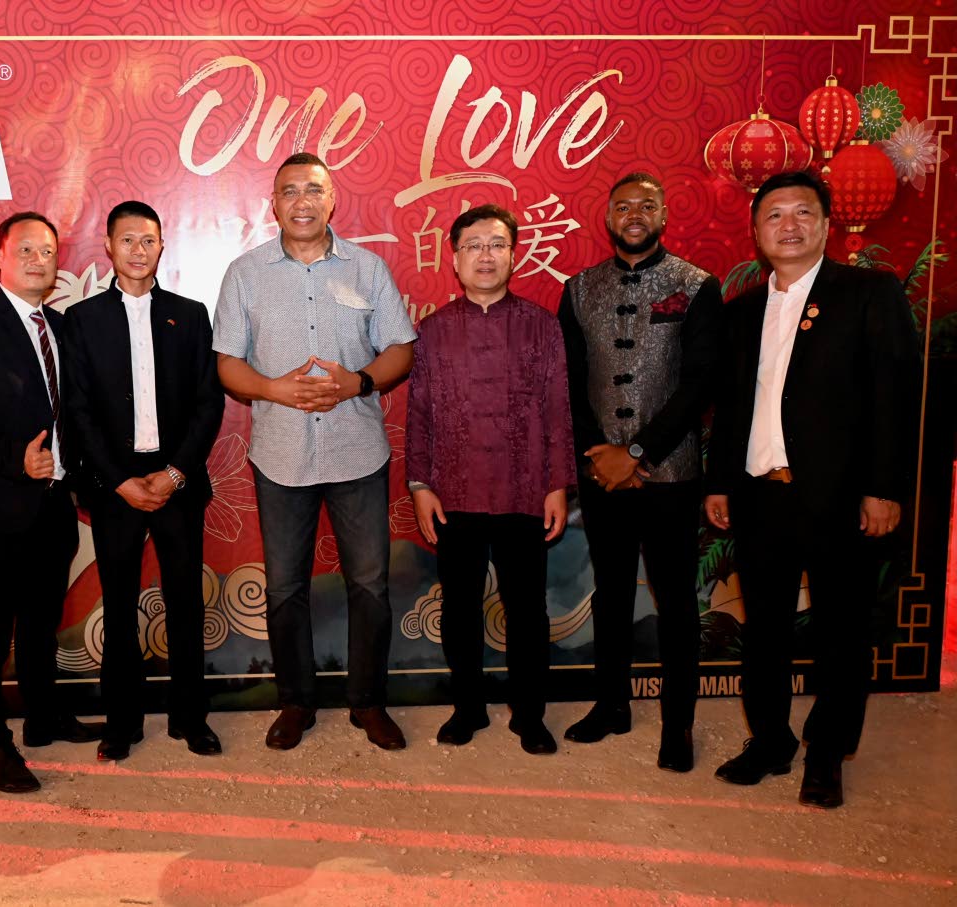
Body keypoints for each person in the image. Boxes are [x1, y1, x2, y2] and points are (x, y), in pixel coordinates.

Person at [706, 170, 919, 808]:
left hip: (840, 498)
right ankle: (770, 741)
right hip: (759, 497)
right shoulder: (741, 312)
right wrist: (719, 483)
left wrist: (884, 487)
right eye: (774, 215)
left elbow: (896, 398)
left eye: (803, 212)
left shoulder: (868, 293)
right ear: (756, 231)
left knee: (840, 634)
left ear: (826, 224)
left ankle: (826, 755)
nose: (789, 226)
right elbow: (731, 407)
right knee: (764, 630)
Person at [213, 152, 417, 751]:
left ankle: (367, 703)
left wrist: (357, 382)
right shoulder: (245, 273)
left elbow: (401, 348)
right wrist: (273, 389)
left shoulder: (368, 268)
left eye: (314, 190)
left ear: (332, 200)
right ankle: (296, 702)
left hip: (357, 451)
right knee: (283, 588)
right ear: (273, 204)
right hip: (279, 455)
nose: (302, 200)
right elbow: (226, 362)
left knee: (370, 584)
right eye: (289, 191)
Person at [558, 172, 723, 772]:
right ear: (607, 215)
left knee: (678, 600)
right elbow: (573, 388)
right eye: (623, 204)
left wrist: (638, 454)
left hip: (671, 475)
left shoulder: (696, 285)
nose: (634, 213)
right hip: (603, 478)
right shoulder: (578, 289)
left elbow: (700, 383)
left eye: (645, 205)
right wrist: (603, 456)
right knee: (611, 593)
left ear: (662, 214)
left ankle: (678, 724)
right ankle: (612, 706)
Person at [0, 212, 105, 794]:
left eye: (49, 251)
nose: (40, 260)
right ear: (0, 258)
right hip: (0, 502)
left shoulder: (60, 326)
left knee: (42, 618)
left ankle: (43, 715)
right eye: (26, 249)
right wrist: (17, 459)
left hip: (56, 502)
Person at [405, 204, 575, 754]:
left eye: (496, 244)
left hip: (525, 490)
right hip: (453, 492)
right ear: (453, 257)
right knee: (459, 610)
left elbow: (556, 411)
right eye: (473, 245)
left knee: (528, 610)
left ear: (513, 253)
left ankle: (530, 713)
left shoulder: (541, 325)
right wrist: (420, 485)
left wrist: (556, 484)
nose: (485, 255)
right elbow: (421, 414)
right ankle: (468, 709)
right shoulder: (432, 331)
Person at [63, 201, 224, 762]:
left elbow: (209, 403)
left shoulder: (190, 313)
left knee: (185, 604)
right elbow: (77, 412)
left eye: (148, 240)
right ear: (108, 246)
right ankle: (122, 723)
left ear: (162, 246)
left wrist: (176, 473)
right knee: (120, 602)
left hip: (177, 479)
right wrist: (118, 482)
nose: (138, 249)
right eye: (127, 240)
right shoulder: (82, 321)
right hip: (115, 487)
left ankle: (191, 719)